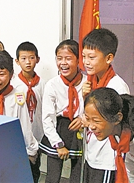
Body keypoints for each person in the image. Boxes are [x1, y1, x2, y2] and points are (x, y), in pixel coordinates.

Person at [81, 28, 130, 183]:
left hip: (108, 158)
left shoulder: (117, 87)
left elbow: (119, 125)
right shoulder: (90, 82)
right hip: (92, 153)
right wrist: (84, 97)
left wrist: (88, 121)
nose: (86, 62)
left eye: (92, 57)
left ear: (108, 58)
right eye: (83, 56)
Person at [40, 39, 86, 183]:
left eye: (68, 58)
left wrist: (83, 117)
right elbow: (47, 117)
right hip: (58, 129)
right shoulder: (52, 85)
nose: (63, 63)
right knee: (52, 177)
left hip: (79, 129)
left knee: (77, 176)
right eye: (59, 58)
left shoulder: (87, 82)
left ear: (78, 60)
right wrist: (58, 144)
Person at [11, 41, 45, 183]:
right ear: (17, 61)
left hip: (38, 131)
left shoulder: (42, 83)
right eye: (23, 58)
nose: (28, 62)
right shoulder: (13, 84)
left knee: (35, 168)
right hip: (20, 134)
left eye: (31, 58)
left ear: (37, 59)